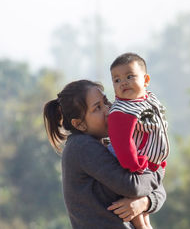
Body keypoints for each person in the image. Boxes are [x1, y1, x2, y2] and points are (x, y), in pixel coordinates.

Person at [43, 80, 166, 229]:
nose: (108, 110)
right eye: (98, 108)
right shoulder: (81, 147)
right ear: (79, 124)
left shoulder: (110, 144)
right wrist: (158, 167)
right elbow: (133, 186)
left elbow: (157, 190)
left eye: (106, 102)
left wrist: (145, 202)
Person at [107, 53, 170, 229]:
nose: (123, 83)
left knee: (144, 206)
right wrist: (136, 165)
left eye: (129, 76)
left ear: (146, 79)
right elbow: (123, 143)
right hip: (132, 162)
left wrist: (159, 159)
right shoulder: (121, 111)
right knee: (135, 201)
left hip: (149, 161)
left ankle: (144, 224)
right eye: (116, 80)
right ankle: (141, 225)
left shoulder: (148, 99)